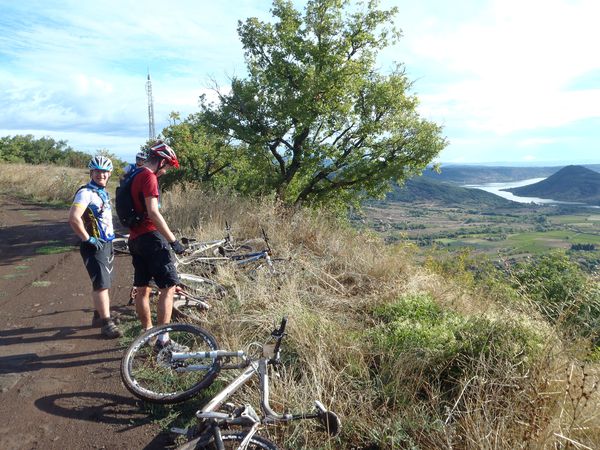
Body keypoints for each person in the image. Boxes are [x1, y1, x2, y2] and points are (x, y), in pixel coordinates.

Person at [126, 140, 186, 350]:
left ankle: (147, 334)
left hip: (134, 239)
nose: (166, 171)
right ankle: (163, 340)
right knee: (168, 288)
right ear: (160, 161)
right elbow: (153, 212)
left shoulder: (134, 175)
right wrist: (173, 240)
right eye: (167, 166)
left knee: (141, 289)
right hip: (151, 238)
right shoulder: (149, 177)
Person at [68, 155, 123, 339]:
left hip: (106, 242)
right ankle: (106, 323)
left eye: (105, 171)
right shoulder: (86, 192)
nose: (101, 174)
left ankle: (99, 314)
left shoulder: (102, 191)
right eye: (97, 171)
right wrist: (87, 238)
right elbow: (73, 218)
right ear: (91, 172)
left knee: (105, 281)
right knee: (101, 285)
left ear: (109, 173)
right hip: (94, 245)